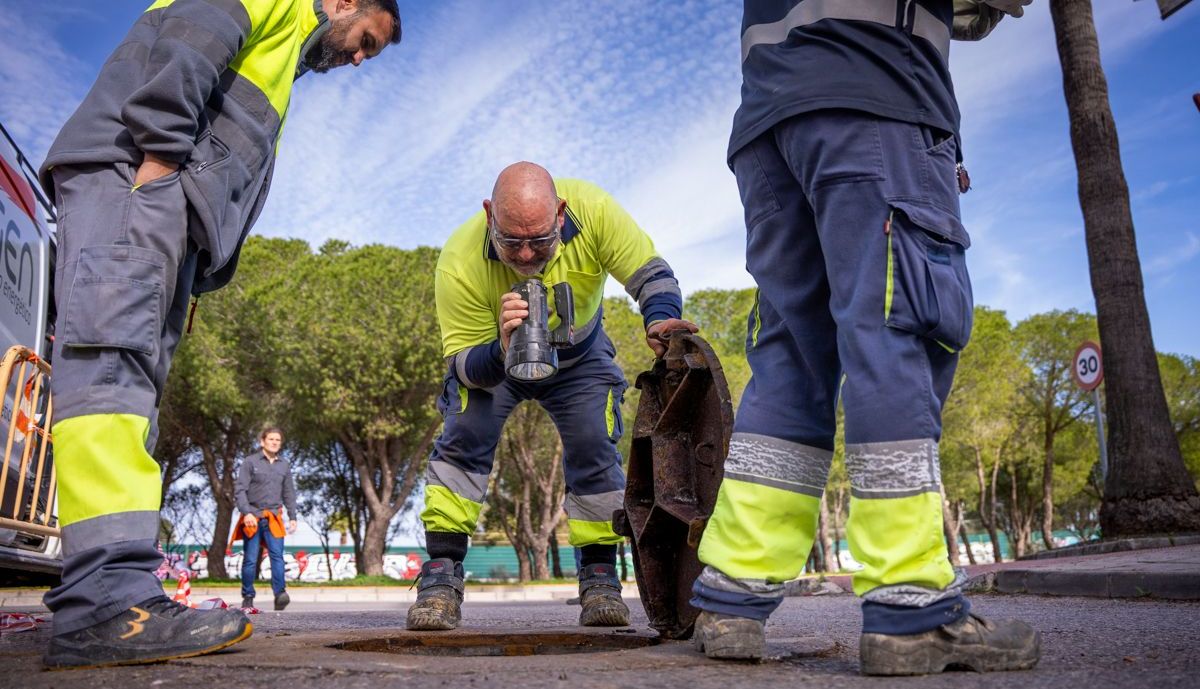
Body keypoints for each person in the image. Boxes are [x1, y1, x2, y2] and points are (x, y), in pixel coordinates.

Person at [37, 0, 401, 669]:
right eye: (366, 42)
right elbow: (190, 43)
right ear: (346, 2)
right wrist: (157, 166)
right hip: (138, 181)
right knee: (111, 375)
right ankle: (104, 605)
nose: (356, 58)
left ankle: (110, 592)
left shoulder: (288, 46)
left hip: (157, 201)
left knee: (129, 392)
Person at [688, 0, 1041, 676]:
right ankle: (912, 608)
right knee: (895, 333)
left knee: (790, 355)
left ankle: (735, 593)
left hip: (768, 126)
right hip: (877, 93)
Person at [407, 162, 697, 631]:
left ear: (561, 213)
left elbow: (652, 274)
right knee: (464, 430)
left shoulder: (595, 210)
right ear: (488, 216)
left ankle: (600, 575)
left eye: (540, 241)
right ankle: (441, 575)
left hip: (580, 358)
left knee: (593, 441)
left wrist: (660, 318)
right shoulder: (458, 261)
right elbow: (461, 365)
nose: (525, 255)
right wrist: (503, 348)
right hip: (493, 359)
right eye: (510, 242)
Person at [234, 427, 298, 611]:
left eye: (278, 440)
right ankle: (247, 596)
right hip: (252, 517)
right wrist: (246, 513)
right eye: (271, 439)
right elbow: (240, 490)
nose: (274, 442)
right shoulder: (250, 462)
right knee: (251, 559)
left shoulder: (284, 465)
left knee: (277, 556)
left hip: (274, 517)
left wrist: (292, 516)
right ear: (263, 441)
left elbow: (289, 492)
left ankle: (280, 594)